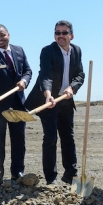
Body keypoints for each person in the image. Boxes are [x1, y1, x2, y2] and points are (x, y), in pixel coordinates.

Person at [24, 20, 85, 185]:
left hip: (65, 100)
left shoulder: (77, 51)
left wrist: (72, 88)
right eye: (57, 33)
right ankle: (51, 178)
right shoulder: (47, 51)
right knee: (50, 138)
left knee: (68, 138)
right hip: (48, 100)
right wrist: (48, 95)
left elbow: (80, 75)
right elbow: (46, 75)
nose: (61, 36)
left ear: (71, 35)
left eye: (64, 33)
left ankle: (71, 175)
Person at [0, 24, 33, 182]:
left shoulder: (19, 50)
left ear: (8, 35)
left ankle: (18, 173)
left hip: (17, 104)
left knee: (19, 140)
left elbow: (28, 71)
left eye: (2, 35)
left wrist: (24, 81)